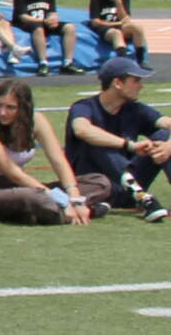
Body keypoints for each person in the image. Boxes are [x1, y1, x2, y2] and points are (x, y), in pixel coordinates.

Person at [63, 56, 171, 223]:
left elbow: (167, 124)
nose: (141, 86)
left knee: (163, 138)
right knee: (97, 142)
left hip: (126, 186)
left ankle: (140, 195)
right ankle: (143, 198)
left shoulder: (135, 109)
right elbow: (82, 130)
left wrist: (168, 147)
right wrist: (129, 145)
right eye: (135, 80)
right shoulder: (83, 107)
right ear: (118, 83)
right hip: (96, 187)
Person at [0, 78, 90, 224]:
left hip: (23, 186)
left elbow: (58, 159)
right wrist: (61, 200)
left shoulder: (36, 120)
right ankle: (73, 212)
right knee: (33, 197)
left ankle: (46, 213)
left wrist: (75, 197)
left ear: (24, 108)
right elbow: (13, 172)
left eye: (10, 107)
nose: (2, 112)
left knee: (98, 182)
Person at [10, 0, 79, 76]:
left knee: (69, 27)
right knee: (38, 28)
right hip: (25, 23)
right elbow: (23, 16)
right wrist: (42, 21)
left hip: (44, 22)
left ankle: (68, 63)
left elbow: (52, 11)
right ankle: (43, 63)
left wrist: (53, 19)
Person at [87, 0, 150, 65]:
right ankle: (124, 63)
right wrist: (116, 24)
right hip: (105, 28)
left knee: (138, 28)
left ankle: (141, 61)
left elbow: (126, 18)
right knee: (116, 33)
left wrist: (118, 2)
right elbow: (95, 22)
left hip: (120, 25)